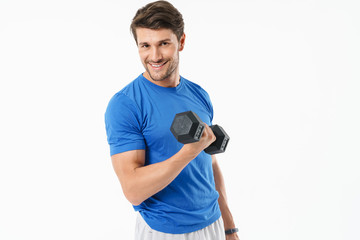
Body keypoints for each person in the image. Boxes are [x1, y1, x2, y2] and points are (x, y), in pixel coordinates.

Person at [105, 1, 240, 239]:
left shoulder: (199, 94)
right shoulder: (126, 104)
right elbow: (133, 190)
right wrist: (189, 151)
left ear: (182, 42)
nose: (154, 56)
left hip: (213, 224)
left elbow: (211, 164)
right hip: (164, 231)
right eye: (145, 45)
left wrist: (229, 228)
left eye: (163, 44)